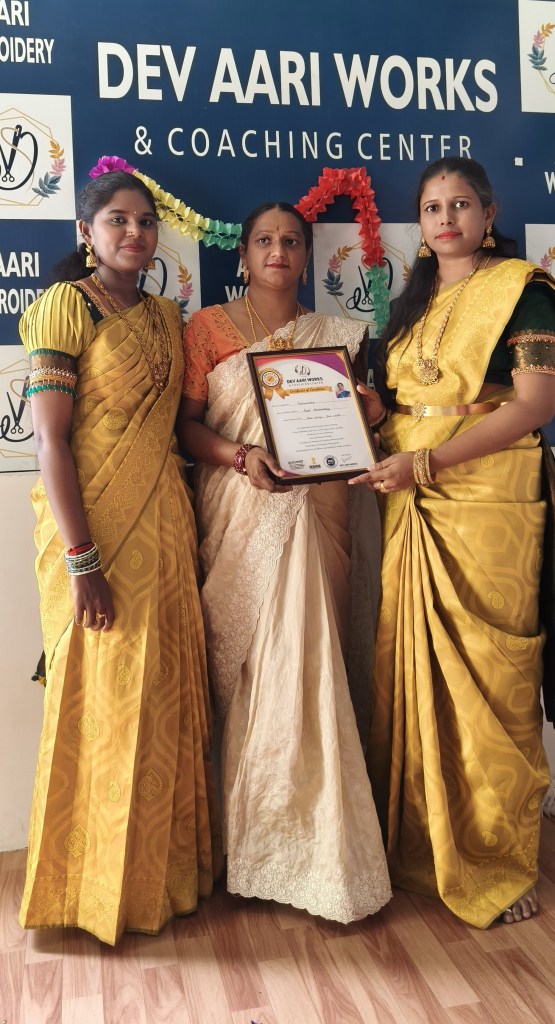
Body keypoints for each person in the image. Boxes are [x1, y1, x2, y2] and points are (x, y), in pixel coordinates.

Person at [351, 157, 555, 928]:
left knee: (492, 674)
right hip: (409, 494)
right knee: (411, 668)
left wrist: (428, 463)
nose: (446, 218)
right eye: (433, 207)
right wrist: (375, 415)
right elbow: (406, 403)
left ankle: (496, 854)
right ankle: (421, 844)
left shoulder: (523, 290)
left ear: (488, 213)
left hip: (488, 499)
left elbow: (532, 406)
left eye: (460, 204)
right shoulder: (411, 301)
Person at [19, 170, 222, 945]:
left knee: (163, 694)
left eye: (143, 222)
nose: (134, 233)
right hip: (95, 530)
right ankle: (89, 891)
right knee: (101, 700)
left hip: (165, 524)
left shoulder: (169, 318)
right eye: (116, 220)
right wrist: (82, 561)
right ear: (87, 232)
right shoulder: (64, 306)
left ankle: (158, 883)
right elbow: (49, 442)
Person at [177, 201, 391, 923]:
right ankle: (252, 846)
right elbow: (187, 429)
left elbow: (353, 425)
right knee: (259, 668)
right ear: (242, 256)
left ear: (307, 254)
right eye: (264, 241)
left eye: (291, 241)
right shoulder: (207, 329)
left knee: (313, 660)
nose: (278, 251)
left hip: (319, 510)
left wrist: (368, 411)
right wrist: (241, 457)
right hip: (241, 507)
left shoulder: (336, 335)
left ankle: (323, 856)